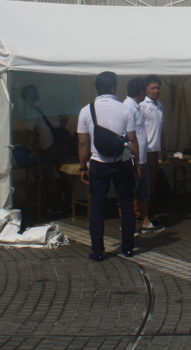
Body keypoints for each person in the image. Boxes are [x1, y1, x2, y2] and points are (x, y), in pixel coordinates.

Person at [77, 71, 141, 261]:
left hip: (98, 163)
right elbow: (132, 139)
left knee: (97, 206)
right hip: (122, 162)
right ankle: (128, 248)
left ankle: (97, 250)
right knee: (126, 204)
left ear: (97, 88)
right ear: (114, 87)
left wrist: (83, 167)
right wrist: (137, 163)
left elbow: (83, 143)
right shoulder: (125, 109)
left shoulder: (86, 110)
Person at [21, 84, 70, 214]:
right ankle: (70, 202)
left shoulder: (32, 111)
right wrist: (61, 127)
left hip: (48, 147)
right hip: (62, 145)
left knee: (48, 177)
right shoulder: (51, 105)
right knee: (64, 174)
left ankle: (54, 206)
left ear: (27, 98)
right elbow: (65, 117)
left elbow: (27, 133)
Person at [123, 77, 160, 235]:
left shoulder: (136, 106)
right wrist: (135, 161)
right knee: (128, 194)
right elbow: (128, 136)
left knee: (144, 192)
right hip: (133, 160)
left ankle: (146, 222)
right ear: (141, 92)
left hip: (143, 158)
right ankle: (127, 226)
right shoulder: (127, 107)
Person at [139, 75, 166, 232]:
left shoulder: (159, 105)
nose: (156, 91)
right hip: (145, 151)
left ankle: (149, 214)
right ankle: (144, 216)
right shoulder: (142, 105)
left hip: (155, 150)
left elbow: (161, 129)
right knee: (146, 185)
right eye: (152, 88)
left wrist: (164, 148)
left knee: (152, 184)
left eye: (158, 88)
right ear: (146, 89)